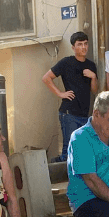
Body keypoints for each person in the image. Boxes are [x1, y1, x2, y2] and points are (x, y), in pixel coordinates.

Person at [43, 32, 98, 162]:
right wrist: (60, 93)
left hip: (84, 114)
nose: (83, 47)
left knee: (82, 150)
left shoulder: (91, 65)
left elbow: (94, 90)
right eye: (80, 44)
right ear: (73, 47)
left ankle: (56, 167)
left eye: (85, 44)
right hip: (68, 113)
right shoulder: (66, 62)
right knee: (69, 151)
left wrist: (93, 77)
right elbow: (46, 78)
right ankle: (53, 169)